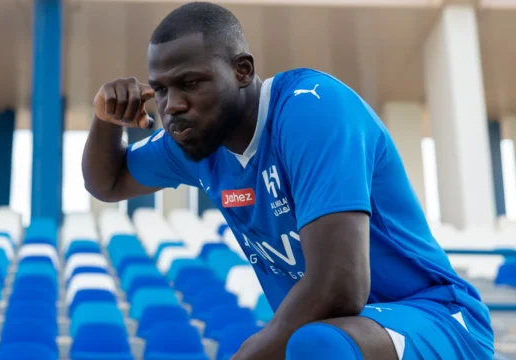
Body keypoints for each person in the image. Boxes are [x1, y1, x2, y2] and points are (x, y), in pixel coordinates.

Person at [82, 2, 494, 359]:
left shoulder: (311, 109)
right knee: (309, 342)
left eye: (190, 83)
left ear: (242, 71)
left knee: (315, 344)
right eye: (160, 89)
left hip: (437, 317)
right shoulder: (197, 141)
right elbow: (108, 183)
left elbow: (341, 287)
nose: (173, 106)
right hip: (343, 334)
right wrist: (105, 118)